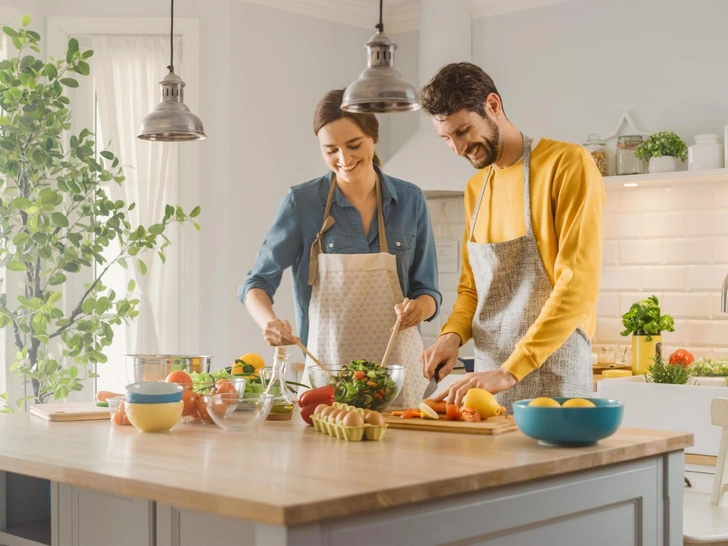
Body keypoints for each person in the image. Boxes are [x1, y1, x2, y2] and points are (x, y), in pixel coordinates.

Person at [419, 63, 605, 411]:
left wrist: (511, 370)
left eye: (463, 131)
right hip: (487, 384)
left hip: (554, 377)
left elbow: (576, 285)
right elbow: (472, 288)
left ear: (493, 105)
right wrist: (452, 336)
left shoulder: (566, 164)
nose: (457, 149)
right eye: (446, 138)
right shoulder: (476, 188)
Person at [239, 89, 441, 407]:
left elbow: (427, 290)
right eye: (330, 150)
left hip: (401, 377)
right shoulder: (302, 204)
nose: (344, 160)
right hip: (327, 376)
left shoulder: (410, 200)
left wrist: (419, 309)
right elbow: (255, 283)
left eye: (354, 145)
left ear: (373, 137)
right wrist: (270, 323)